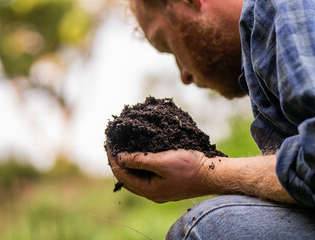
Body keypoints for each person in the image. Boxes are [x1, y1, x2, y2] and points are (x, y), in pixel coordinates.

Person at [107, 0, 315, 238]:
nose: (183, 75)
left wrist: (206, 173)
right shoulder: (260, 61)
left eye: (168, 45)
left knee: (208, 229)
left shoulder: (282, 8)